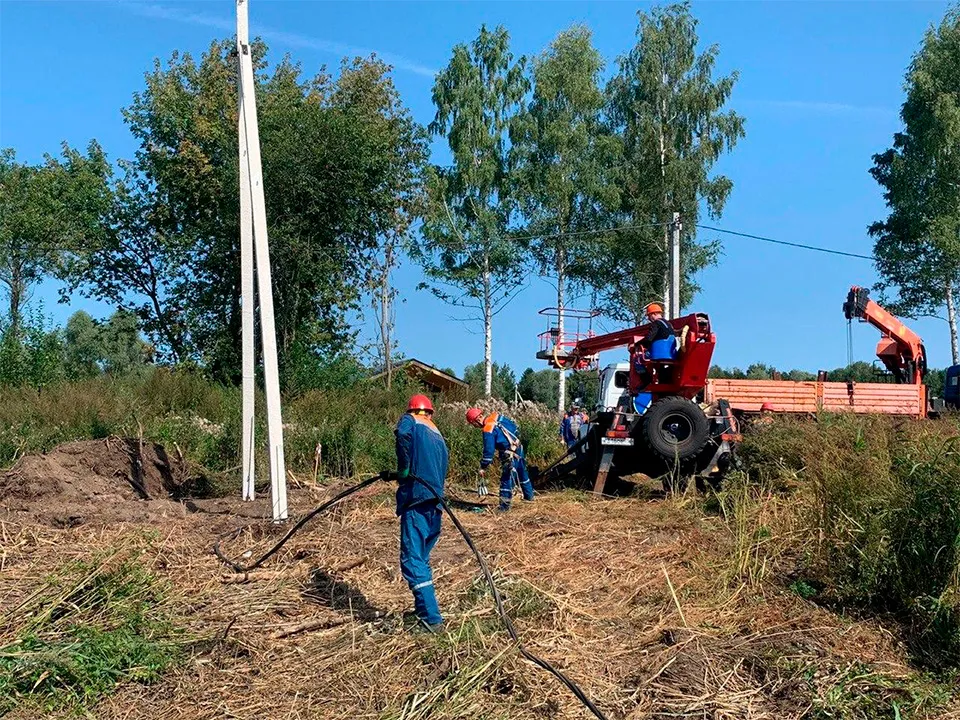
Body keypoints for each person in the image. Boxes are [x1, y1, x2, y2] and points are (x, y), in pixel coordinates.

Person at [395, 394, 449, 633]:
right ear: (430, 412)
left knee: (412, 560)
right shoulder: (438, 434)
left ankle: (431, 620)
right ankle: (422, 610)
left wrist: (404, 470)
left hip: (417, 499)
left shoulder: (411, 421)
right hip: (435, 503)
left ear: (413, 410)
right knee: (422, 559)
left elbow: (403, 436)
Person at [465, 408, 535, 511]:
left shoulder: (488, 430)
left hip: (509, 455)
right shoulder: (497, 417)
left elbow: (488, 452)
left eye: (473, 424)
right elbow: (515, 428)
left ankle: (504, 507)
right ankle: (529, 497)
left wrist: (483, 466)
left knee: (506, 479)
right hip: (518, 448)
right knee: (522, 473)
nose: (474, 426)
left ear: (476, 420)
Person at [631, 303, 676, 392]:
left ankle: (646, 381)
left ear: (654, 314)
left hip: (659, 352)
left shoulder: (656, 323)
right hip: (671, 354)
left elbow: (649, 339)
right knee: (660, 366)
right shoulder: (669, 324)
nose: (648, 319)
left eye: (649, 316)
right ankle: (663, 380)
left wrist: (636, 344)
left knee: (638, 360)